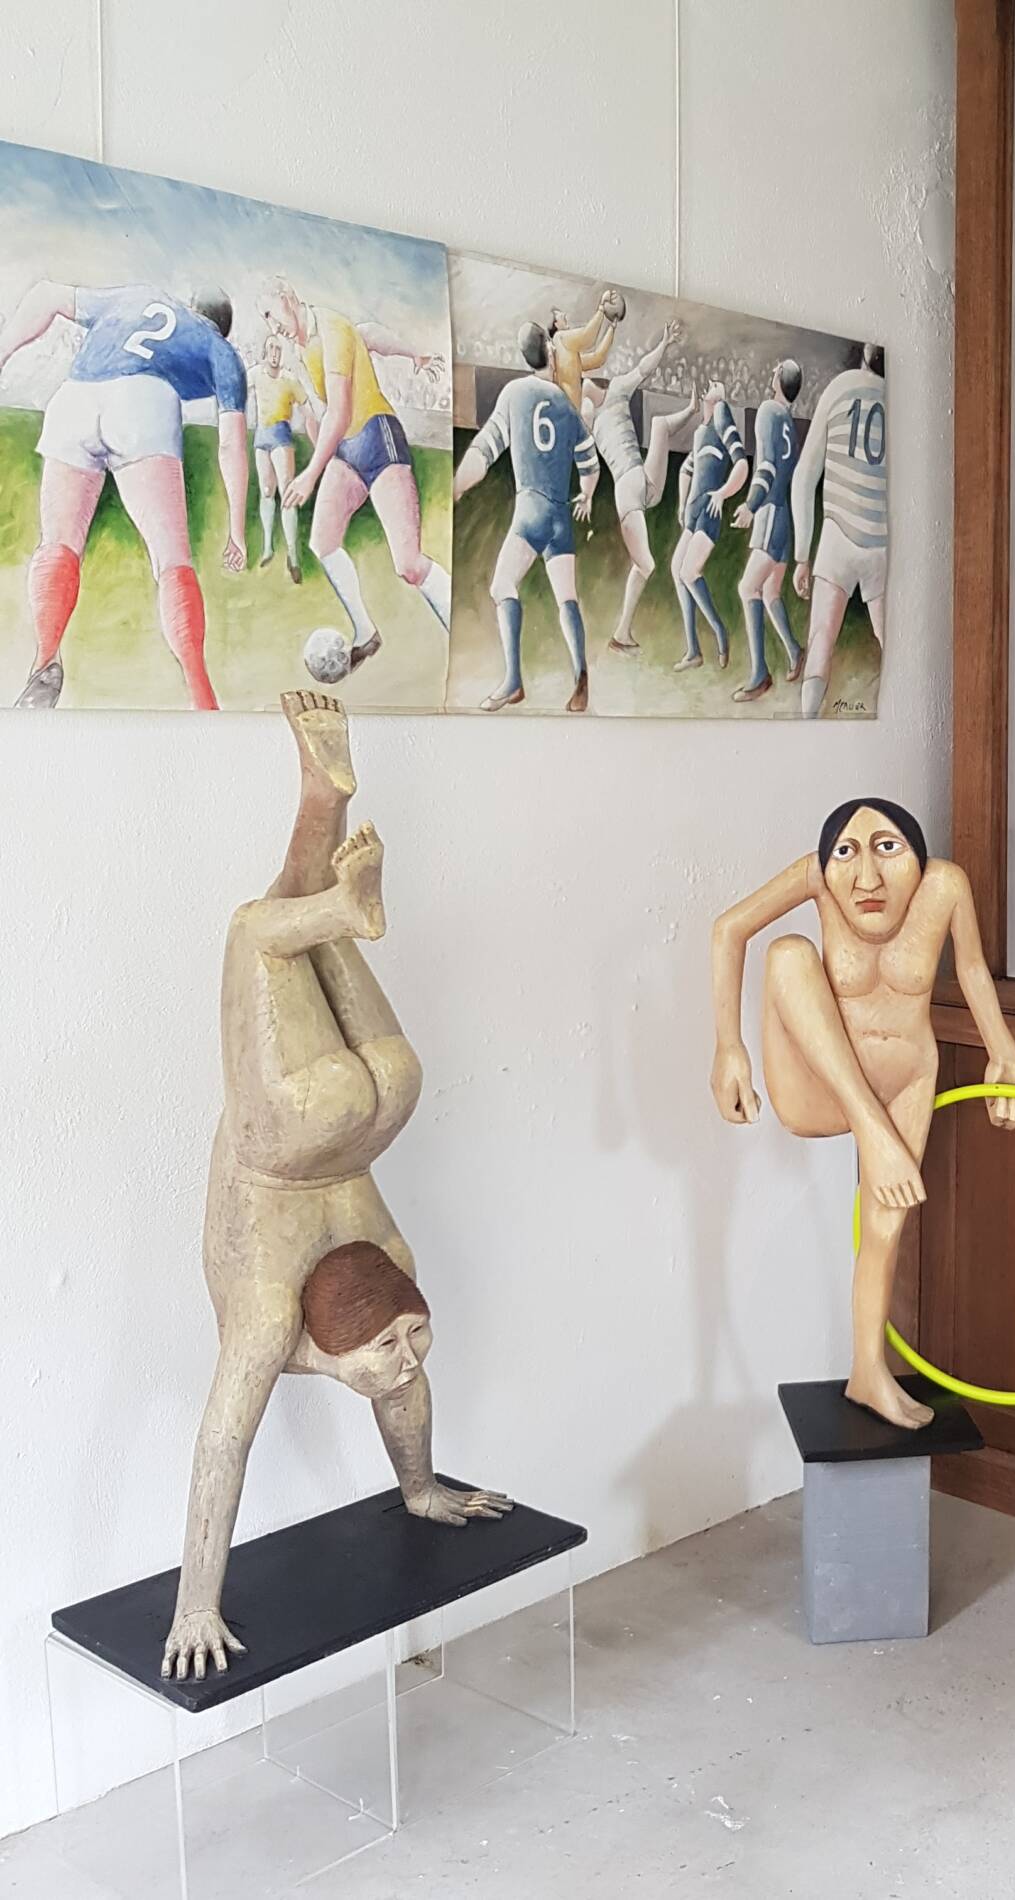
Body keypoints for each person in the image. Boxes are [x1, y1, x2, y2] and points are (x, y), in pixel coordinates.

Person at [166, 691, 510, 1680]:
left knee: (279, 928)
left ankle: (324, 815)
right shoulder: (310, 1299)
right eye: (399, 1345)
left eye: (402, 1340)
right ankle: (337, 883)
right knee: (265, 929)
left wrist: (422, 1493)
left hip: (364, 1111)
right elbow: (227, 1442)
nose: (404, 1363)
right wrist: (194, 1606)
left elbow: (229, 1443)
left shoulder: (305, 1310)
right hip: (312, 1133)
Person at [710, 799, 1015, 1429]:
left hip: (906, 1081)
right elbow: (729, 929)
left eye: (887, 849)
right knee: (788, 952)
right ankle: (870, 1127)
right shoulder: (816, 878)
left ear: (917, 856)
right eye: (847, 853)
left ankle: (868, 1372)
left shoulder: (945, 886)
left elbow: (972, 968)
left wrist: (1005, 1053)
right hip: (818, 1088)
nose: (867, 878)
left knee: (885, 1231)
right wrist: (729, 1047)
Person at [0, 280, 249, 710]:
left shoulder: (138, 297)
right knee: (171, 562)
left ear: (189, 301)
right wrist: (237, 531)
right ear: (221, 323)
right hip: (144, 404)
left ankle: (44, 663)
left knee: (58, 543)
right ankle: (202, 697)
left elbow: (45, 293)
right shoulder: (219, 348)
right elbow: (231, 446)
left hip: (75, 398)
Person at [263, 277, 450, 674]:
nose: (271, 325)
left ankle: (458, 624)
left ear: (289, 298)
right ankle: (366, 634)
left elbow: (341, 412)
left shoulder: (332, 327)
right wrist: (411, 353)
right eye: (265, 319)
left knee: (409, 564)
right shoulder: (306, 344)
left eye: (272, 313)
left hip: (377, 438)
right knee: (323, 542)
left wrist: (311, 474)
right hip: (346, 450)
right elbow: (368, 336)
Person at [452, 323, 599, 712]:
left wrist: (457, 487)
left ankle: (513, 681)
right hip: (560, 515)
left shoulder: (514, 393)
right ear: (550, 353)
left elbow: (485, 450)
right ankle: (580, 674)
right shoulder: (566, 405)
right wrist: (586, 495)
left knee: (502, 586)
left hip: (531, 509)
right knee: (567, 597)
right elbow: (590, 464)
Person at [579, 317, 693, 652]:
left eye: (586, 383)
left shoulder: (616, 389)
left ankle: (692, 409)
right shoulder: (588, 418)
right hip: (628, 489)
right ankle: (621, 634)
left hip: (644, 481)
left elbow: (643, 368)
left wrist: (664, 342)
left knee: (660, 426)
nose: (586, 386)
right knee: (646, 564)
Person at [791, 343, 889, 719]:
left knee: (820, 640)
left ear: (865, 351)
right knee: (892, 645)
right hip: (881, 542)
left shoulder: (840, 386)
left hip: (837, 537)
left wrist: (802, 556)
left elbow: (805, 477)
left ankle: (807, 726)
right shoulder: (897, 402)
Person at [730, 358, 807, 702]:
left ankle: (760, 674)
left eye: (775, 369)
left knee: (748, 588)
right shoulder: (788, 419)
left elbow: (766, 467)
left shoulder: (767, 411)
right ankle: (795, 651)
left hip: (771, 511)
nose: (771, 371)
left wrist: (751, 504)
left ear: (779, 379)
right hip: (784, 515)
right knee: (771, 591)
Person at [671, 381, 749, 672]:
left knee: (689, 572)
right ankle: (693, 651)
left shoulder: (722, 413)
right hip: (693, 510)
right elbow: (686, 469)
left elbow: (742, 464)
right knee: (677, 570)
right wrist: (682, 504)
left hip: (708, 511)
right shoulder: (702, 430)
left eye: (717, 384)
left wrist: (722, 493)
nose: (710, 385)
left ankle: (719, 631)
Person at [251, 332, 307, 583]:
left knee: (287, 493)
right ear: (264, 352)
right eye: (271, 348)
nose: (274, 353)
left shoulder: (289, 379)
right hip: (261, 437)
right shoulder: (255, 374)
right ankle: (267, 547)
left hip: (281, 436)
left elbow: (307, 406)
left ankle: (293, 556)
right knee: (266, 490)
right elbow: (236, 388)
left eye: (278, 349)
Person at [547, 289, 620, 413]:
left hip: (571, 413)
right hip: (567, 412)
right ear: (556, 324)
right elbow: (587, 337)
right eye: (560, 315)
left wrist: (611, 329)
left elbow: (597, 359)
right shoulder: (560, 337)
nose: (564, 315)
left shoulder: (566, 353)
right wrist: (601, 307)